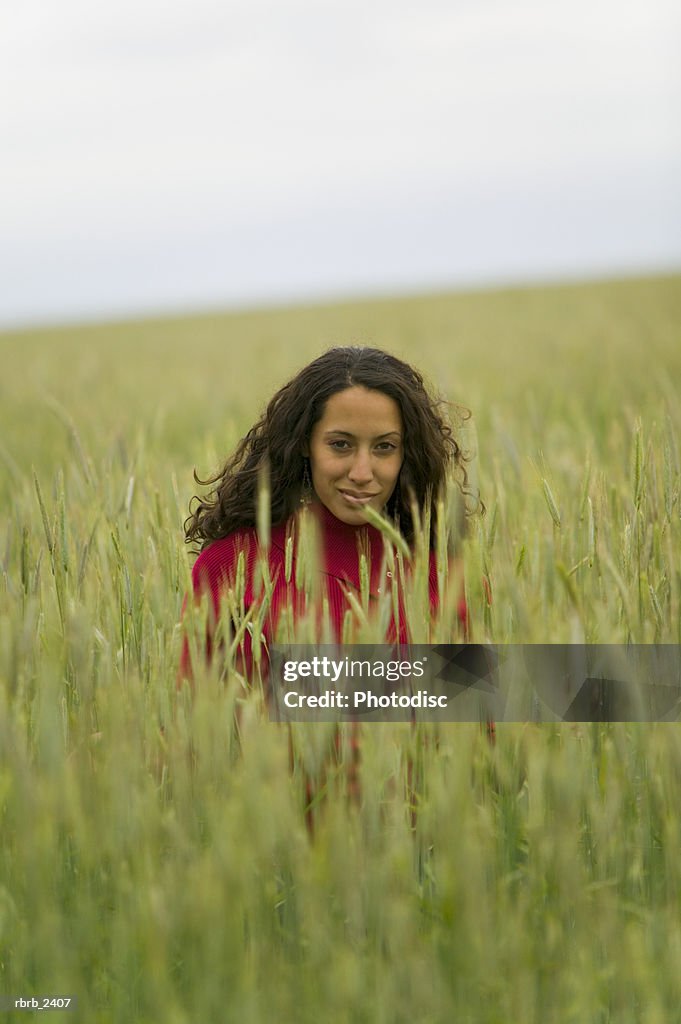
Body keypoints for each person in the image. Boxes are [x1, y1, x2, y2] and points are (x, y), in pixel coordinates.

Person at [179, 346, 477, 684]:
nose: (362, 472)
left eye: (384, 447)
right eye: (340, 444)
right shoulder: (231, 567)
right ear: (305, 443)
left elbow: (483, 722)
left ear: (407, 453)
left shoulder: (448, 573)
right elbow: (192, 720)